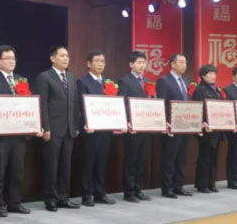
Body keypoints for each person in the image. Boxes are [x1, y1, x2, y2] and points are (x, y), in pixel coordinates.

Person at [0, 45, 34, 217]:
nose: (12, 61)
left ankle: (15, 202)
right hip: (1, 134)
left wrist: (32, 125)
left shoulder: (21, 80)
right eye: (8, 58)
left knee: (17, 171)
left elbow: (28, 106)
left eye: (13, 58)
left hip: (19, 133)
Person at [35, 46, 80, 211]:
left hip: (69, 129)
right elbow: (42, 104)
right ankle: (50, 199)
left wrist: (75, 125)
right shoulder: (44, 77)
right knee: (52, 165)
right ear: (53, 58)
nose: (66, 58)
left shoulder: (71, 77)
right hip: (53, 129)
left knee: (65, 166)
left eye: (67, 55)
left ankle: (63, 197)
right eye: (62, 56)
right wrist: (45, 126)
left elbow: (75, 103)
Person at [76, 51, 116, 206]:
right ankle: (87, 195)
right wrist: (87, 123)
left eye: (103, 61)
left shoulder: (108, 82)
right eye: (97, 61)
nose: (100, 64)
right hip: (90, 131)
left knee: (101, 163)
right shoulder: (82, 82)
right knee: (88, 163)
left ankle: (100, 193)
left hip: (105, 130)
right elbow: (81, 106)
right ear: (88, 63)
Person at [156, 53, 193, 198]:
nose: (184, 65)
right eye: (181, 62)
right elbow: (162, 102)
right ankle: (167, 188)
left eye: (186, 63)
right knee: (169, 159)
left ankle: (178, 186)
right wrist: (166, 122)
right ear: (172, 64)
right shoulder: (164, 81)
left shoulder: (185, 81)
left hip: (184, 126)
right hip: (171, 126)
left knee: (181, 158)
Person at [118, 51, 152, 202]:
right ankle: (129, 191)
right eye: (139, 62)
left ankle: (138, 189)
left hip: (145, 126)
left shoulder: (148, 82)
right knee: (131, 160)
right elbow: (123, 103)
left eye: (144, 63)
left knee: (142, 159)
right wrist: (127, 121)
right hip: (132, 127)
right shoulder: (124, 81)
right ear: (131, 64)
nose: (142, 65)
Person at [191, 64, 225, 193]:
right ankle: (202, 184)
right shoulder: (200, 90)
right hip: (205, 129)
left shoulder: (217, 90)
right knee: (204, 157)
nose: (213, 76)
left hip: (216, 129)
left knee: (214, 157)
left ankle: (211, 183)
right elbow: (197, 109)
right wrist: (202, 122)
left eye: (214, 73)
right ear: (203, 76)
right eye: (210, 73)